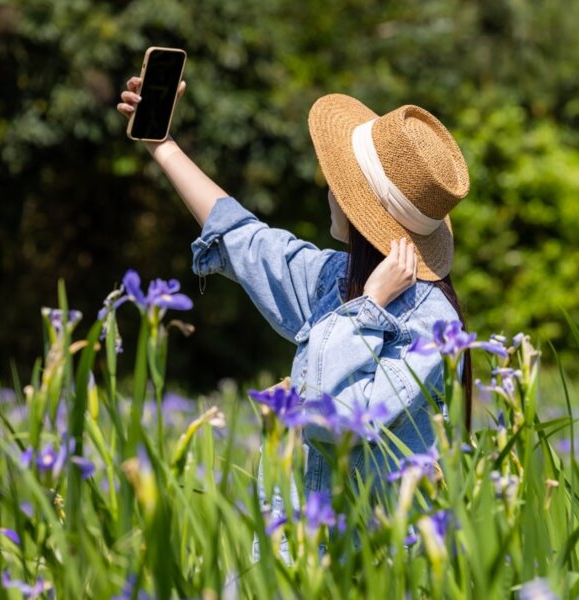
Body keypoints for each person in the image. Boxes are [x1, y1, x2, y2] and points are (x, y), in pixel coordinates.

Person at [116, 77, 474, 555]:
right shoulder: (334, 279)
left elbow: (337, 420)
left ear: (355, 204)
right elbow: (246, 238)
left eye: (337, 180)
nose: (328, 187)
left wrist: (365, 310)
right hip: (301, 558)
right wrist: (164, 147)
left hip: (372, 569)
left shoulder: (427, 323)